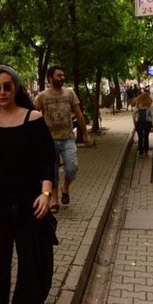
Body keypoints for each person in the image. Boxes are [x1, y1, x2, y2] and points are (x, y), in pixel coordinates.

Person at [0, 65, 56, 304]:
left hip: (29, 201)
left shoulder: (33, 118)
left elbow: (47, 160)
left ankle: (29, 301)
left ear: (16, 87)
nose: (2, 92)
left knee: (32, 257)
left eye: (7, 86)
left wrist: (45, 194)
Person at [35, 65, 92, 212]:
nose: (62, 78)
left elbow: (79, 114)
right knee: (52, 171)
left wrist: (85, 134)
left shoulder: (69, 93)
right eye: (59, 75)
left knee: (72, 167)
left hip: (68, 138)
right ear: (50, 78)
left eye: (63, 75)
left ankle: (65, 187)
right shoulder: (42, 96)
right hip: (49, 140)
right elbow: (34, 116)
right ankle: (54, 200)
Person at [133, 89, 153, 157]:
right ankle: (146, 151)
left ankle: (141, 152)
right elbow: (152, 115)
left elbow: (133, 115)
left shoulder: (138, 106)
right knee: (146, 137)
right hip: (147, 123)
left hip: (139, 123)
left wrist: (135, 123)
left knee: (140, 137)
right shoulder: (149, 106)